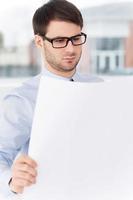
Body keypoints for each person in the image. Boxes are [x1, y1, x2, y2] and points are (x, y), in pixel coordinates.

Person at [0, 0, 101, 197]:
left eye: (76, 38)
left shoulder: (100, 88)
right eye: (60, 40)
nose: (71, 49)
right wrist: (12, 181)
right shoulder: (21, 100)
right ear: (39, 42)